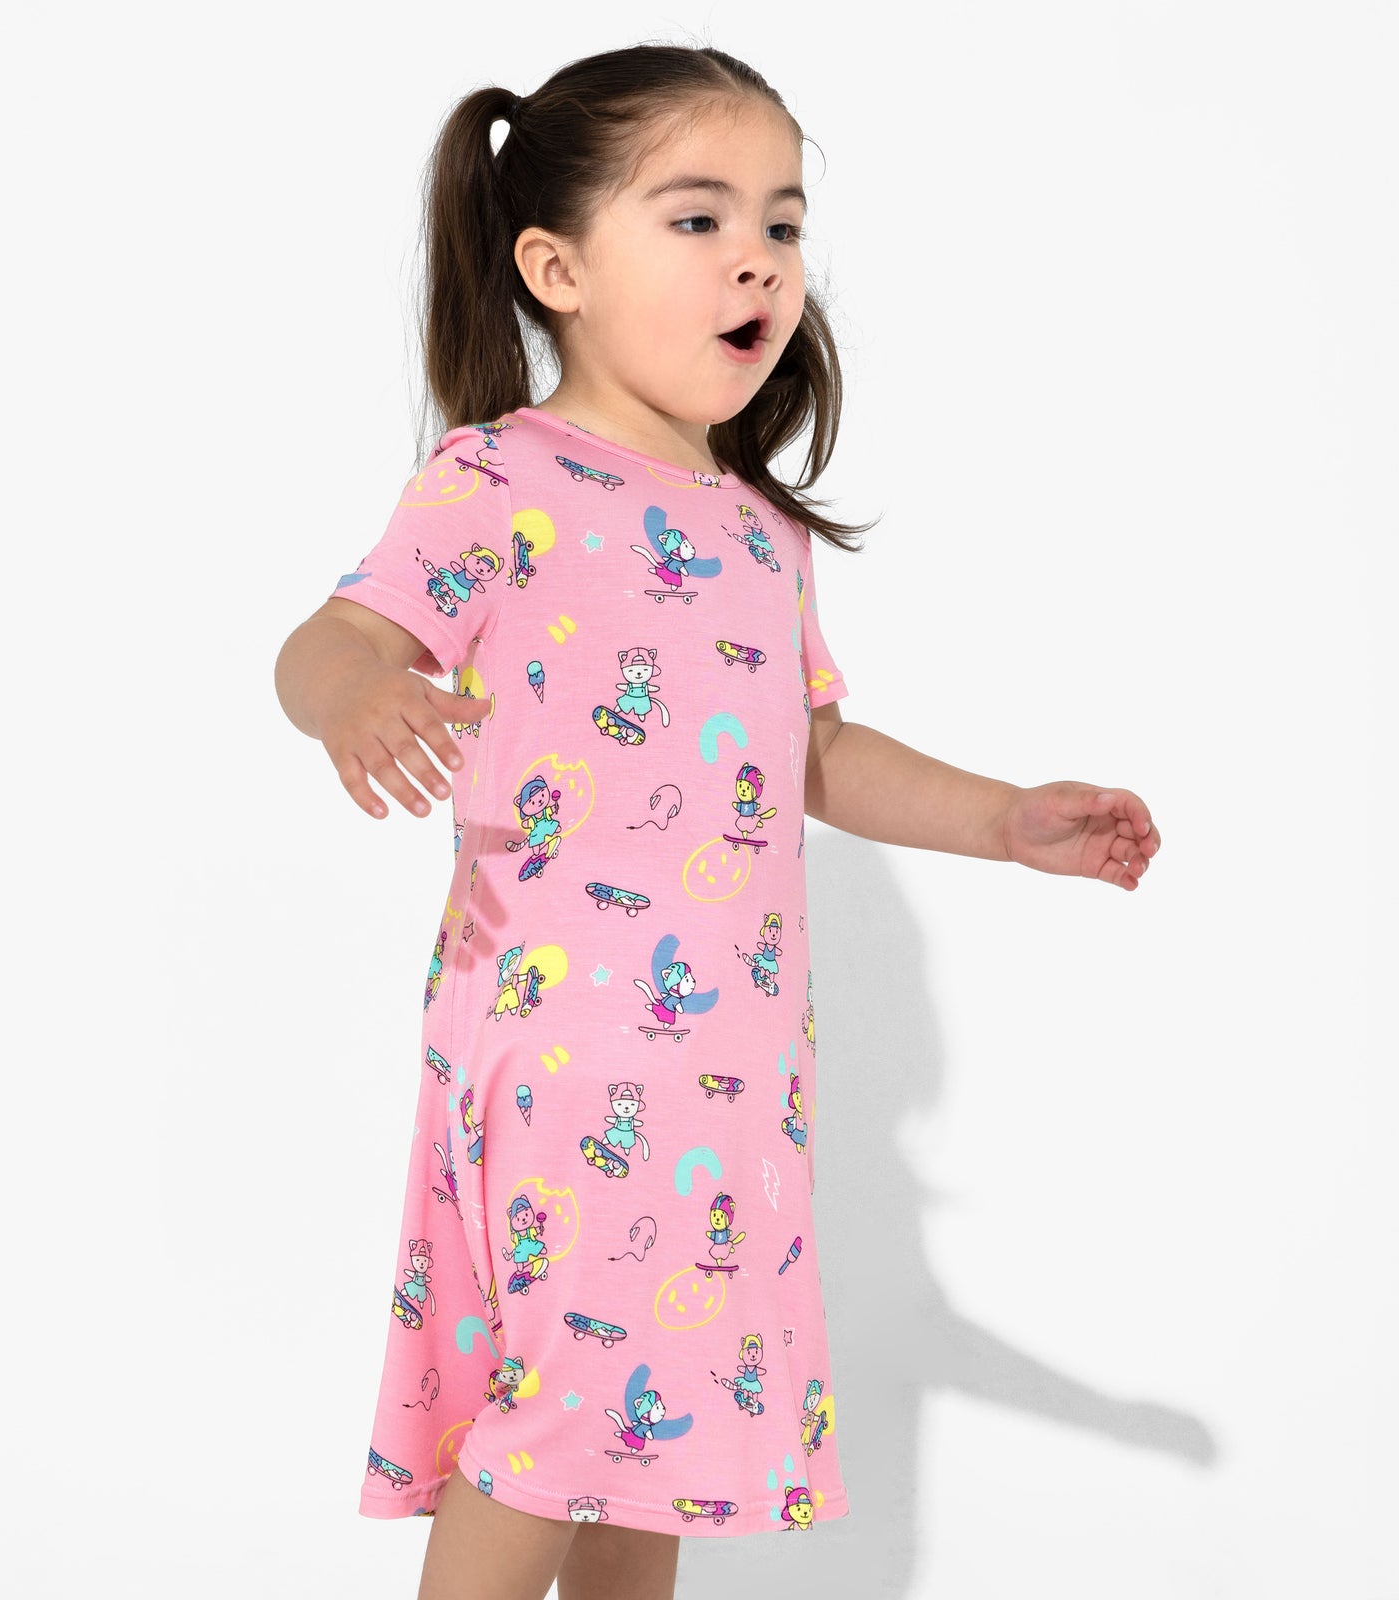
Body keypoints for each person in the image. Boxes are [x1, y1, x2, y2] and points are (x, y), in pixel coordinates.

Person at [273, 40, 1161, 1600]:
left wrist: (1006, 818)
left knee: (655, 1420)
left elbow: (811, 753)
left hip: (734, 1061)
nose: (759, 257)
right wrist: (354, 696)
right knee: (564, 1407)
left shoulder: (758, 532)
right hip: (566, 1033)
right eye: (698, 218)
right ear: (554, 269)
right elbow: (334, 639)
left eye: (782, 222)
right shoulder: (498, 479)